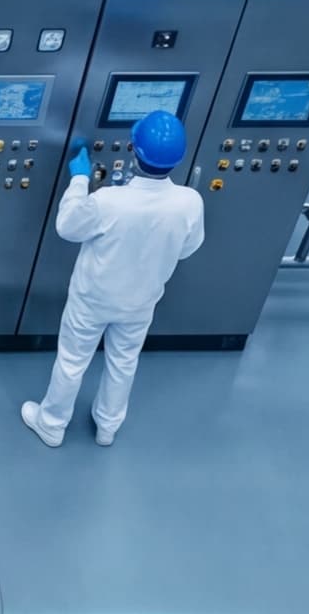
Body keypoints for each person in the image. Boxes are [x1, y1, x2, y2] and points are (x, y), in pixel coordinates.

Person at [21, 110, 204, 448]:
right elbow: (186, 249)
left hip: (93, 299)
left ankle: (52, 424)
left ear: (134, 148)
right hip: (141, 301)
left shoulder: (109, 200)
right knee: (123, 362)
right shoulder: (189, 202)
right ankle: (107, 426)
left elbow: (68, 227)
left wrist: (79, 179)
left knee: (73, 360)